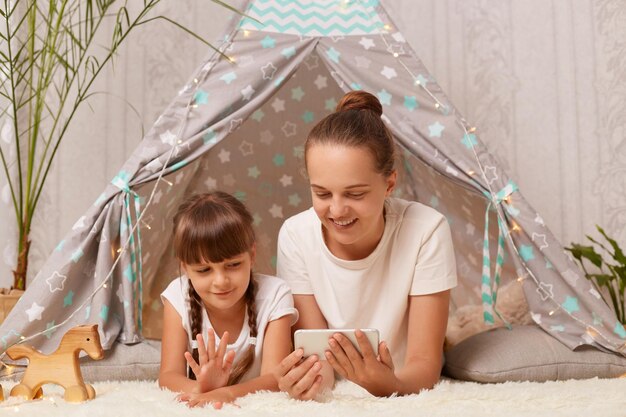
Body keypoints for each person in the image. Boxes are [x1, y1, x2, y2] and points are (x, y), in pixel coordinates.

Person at [275, 91, 457, 399]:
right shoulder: (296, 235)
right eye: (321, 193)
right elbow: (317, 358)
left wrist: (392, 386)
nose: (336, 210)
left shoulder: (426, 230)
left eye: (355, 194)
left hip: (403, 380)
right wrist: (303, 381)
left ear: (389, 184)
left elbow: (424, 365)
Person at [159, 191, 298, 408]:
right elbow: (168, 376)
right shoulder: (177, 295)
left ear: (251, 255)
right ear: (185, 267)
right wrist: (201, 388)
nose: (221, 281)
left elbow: (275, 378)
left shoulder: (275, 294)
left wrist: (226, 393)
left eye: (233, 265)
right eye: (204, 270)